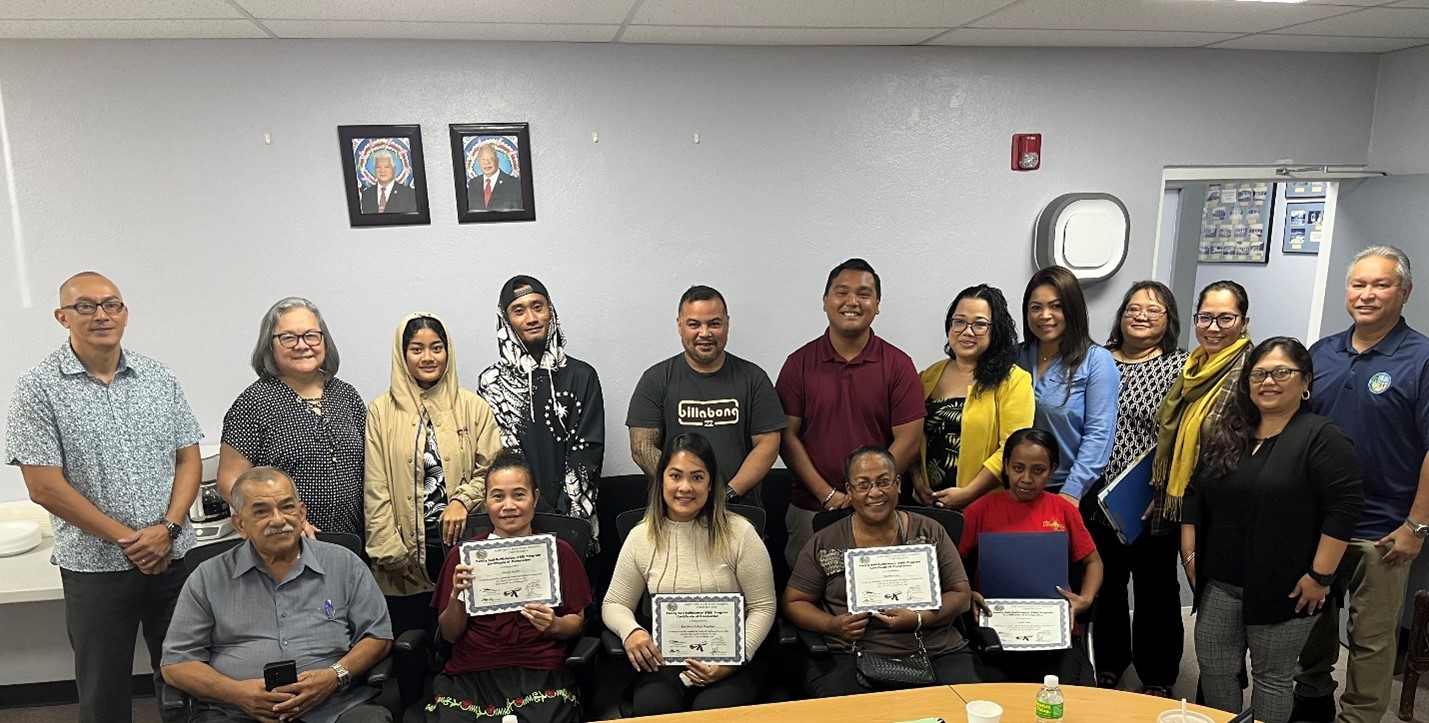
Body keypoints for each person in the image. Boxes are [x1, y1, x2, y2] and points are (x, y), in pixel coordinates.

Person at [5, 271, 203, 723]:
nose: (101, 315)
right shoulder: (38, 387)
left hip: (172, 557)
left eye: (111, 304)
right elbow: (43, 486)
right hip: (95, 568)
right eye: (85, 306)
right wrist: (130, 540)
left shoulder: (158, 377)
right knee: (103, 690)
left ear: (125, 313)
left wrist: (168, 528)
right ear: (62, 317)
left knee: (189, 679)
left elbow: (188, 458)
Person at [1183, 337, 1363, 723]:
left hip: (1288, 587)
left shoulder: (1323, 437)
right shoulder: (1230, 431)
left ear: (1306, 381)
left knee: (1271, 678)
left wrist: (1320, 576)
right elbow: (1195, 492)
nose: (1268, 381)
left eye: (1282, 372)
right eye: (1259, 374)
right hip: (1220, 582)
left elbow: (1343, 511)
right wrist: (1191, 554)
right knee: (1214, 668)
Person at [1294, 245, 1429, 723]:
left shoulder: (1422, 358)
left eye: (1381, 284)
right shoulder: (1321, 353)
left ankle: (1360, 716)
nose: (1366, 294)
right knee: (1310, 621)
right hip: (1318, 522)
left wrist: (1417, 525)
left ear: (1404, 292)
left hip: (1384, 529)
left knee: (1371, 638)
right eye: (1358, 284)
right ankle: (1311, 700)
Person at [161, 467, 394, 723]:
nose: (278, 520)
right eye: (261, 511)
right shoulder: (208, 577)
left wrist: (334, 676)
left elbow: (378, 636)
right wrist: (237, 693)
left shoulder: (345, 564)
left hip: (334, 707)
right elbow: (176, 663)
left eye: (287, 507)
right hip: (236, 712)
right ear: (240, 524)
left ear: (302, 513)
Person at [784, 446, 979, 697]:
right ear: (850, 490)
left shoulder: (930, 532)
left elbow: (961, 595)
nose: (875, 492)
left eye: (883, 482)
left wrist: (920, 618)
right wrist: (832, 625)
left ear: (898, 484)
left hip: (936, 649)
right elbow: (794, 602)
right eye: (863, 485)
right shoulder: (826, 541)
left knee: (966, 705)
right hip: (851, 653)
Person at [602, 433, 776, 715]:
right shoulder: (641, 537)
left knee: (711, 712)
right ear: (661, 480)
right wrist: (631, 631)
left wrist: (736, 658)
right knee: (655, 709)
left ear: (710, 483)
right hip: (666, 658)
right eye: (676, 476)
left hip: (732, 657)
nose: (685, 487)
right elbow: (614, 604)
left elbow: (763, 606)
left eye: (697, 477)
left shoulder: (740, 533)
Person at [1076, 281, 1190, 696]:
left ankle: (1158, 674)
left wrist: (1166, 491)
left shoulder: (1182, 366)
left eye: (1153, 310)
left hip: (1152, 497)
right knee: (1104, 583)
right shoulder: (1096, 360)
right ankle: (1108, 663)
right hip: (1096, 495)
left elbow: (1187, 435)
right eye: (1133, 309)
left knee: (1156, 588)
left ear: (1169, 320)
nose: (1141, 316)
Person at [777, 258, 924, 569]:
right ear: (825, 301)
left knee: (882, 593)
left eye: (864, 294)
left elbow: (909, 439)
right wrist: (828, 494)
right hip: (812, 509)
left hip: (880, 512)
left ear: (877, 304)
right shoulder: (798, 364)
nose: (852, 302)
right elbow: (786, 437)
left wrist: (869, 493)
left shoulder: (898, 365)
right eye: (842, 292)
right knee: (808, 593)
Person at [426, 450, 592, 723]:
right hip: (473, 668)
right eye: (498, 496)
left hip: (538, 665)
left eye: (519, 495)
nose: (509, 506)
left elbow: (576, 622)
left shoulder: (559, 552)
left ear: (534, 498)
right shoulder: (463, 556)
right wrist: (456, 596)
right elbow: (450, 635)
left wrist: (554, 625)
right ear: (486, 501)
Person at [364, 313, 502, 639]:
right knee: (411, 643)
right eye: (417, 349)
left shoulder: (473, 407)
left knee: (466, 639)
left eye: (436, 348)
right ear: (402, 354)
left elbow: (492, 472)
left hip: (463, 546)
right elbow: (375, 486)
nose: (428, 357)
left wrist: (462, 501)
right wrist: (390, 553)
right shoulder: (381, 411)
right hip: (404, 554)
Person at [959, 427, 1103, 686]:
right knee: (989, 695)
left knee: (1068, 696)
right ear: (1005, 466)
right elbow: (952, 565)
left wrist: (1085, 599)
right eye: (1018, 468)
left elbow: (1094, 562)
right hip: (996, 631)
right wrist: (966, 592)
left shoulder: (1063, 510)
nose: (1026, 478)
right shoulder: (979, 510)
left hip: (1054, 631)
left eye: (1038, 470)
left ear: (1052, 470)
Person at [219, 297, 367, 536]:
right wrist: (282, 519)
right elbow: (230, 482)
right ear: (270, 346)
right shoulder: (253, 403)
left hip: (352, 540)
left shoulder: (346, 395)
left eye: (311, 335)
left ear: (324, 341)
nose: (302, 345)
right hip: (284, 540)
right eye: (288, 337)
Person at [627, 285, 786, 505]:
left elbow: (768, 445)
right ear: (680, 325)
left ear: (727, 324)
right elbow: (642, 448)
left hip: (738, 508)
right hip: (674, 510)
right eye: (694, 324)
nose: (704, 333)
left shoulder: (753, 378)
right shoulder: (655, 379)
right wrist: (688, 491)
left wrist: (726, 494)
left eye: (714, 324)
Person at [477, 276, 604, 543]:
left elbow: (588, 451)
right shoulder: (492, 383)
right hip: (517, 520)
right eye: (519, 310)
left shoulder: (582, 376)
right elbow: (505, 453)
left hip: (576, 520)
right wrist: (537, 511)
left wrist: (565, 517)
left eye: (538, 307)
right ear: (506, 320)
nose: (532, 318)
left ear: (550, 311)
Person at [911, 284, 1034, 511]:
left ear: (996, 330)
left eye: (979, 324)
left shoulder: (1013, 380)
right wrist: (918, 482)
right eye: (959, 321)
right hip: (929, 506)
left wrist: (969, 493)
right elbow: (911, 436)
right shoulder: (927, 377)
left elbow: (1013, 448)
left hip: (985, 507)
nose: (967, 332)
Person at [1149, 280, 1253, 534]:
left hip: (1221, 507)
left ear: (1244, 323)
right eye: (1205, 318)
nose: (1213, 328)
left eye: (1226, 319)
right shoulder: (1194, 366)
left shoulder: (1251, 372)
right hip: (1185, 497)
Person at [1015, 266, 1119, 504]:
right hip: (1015, 487)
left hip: (1067, 491)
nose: (1045, 315)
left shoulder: (1096, 361)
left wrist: (1072, 490)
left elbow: (1099, 434)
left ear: (1072, 309)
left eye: (1056, 306)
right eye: (1036, 307)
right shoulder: (1016, 357)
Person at [466, 145, 523, 212]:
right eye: (483, 159)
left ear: (497, 160)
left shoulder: (514, 183)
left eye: (490, 159)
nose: (486, 162)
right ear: (478, 162)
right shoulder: (473, 184)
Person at [359, 150, 417, 214]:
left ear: (394, 169)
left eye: (386, 167)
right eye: (378, 167)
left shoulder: (409, 194)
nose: (382, 170)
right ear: (374, 170)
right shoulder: (366, 194)